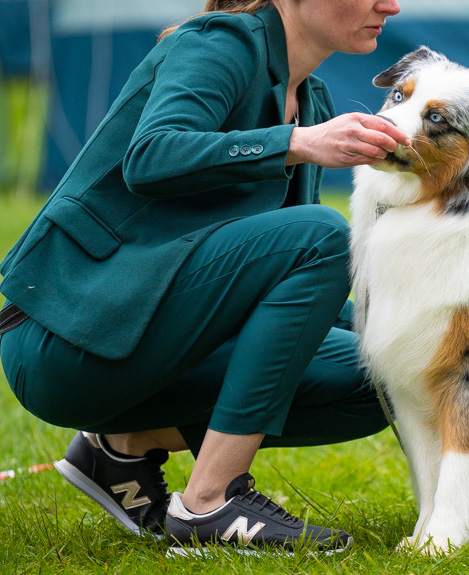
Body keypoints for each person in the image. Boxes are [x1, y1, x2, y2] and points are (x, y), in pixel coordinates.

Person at [0, 0, 409, 555]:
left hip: (152, 336)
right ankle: (210, 502)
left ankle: (121, 448)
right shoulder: (219, 43)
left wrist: (407, 335)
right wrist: (292, 144)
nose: (391, 5)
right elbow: (150, 155)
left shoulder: (312, 99)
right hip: (65, 336)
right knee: (321, 234)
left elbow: (292, 294)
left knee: (381, 374)